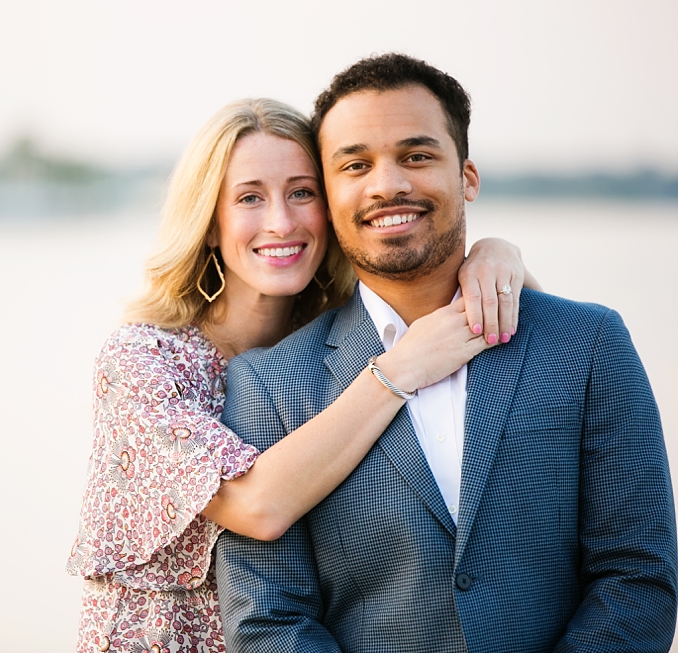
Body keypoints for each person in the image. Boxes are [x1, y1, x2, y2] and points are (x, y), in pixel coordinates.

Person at [215, 54, 678, 652]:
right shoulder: (266, 382)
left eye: (417, 156)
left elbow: (638, 577)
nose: (388, 185)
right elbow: (267, 621)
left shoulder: (588, 345)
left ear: (468, 177)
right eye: (356, 165)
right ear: (328, 199)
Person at [66, 97, 538, 653]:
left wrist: (497, 254)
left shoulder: (340, 342)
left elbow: (535, 349)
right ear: (210, 224)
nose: (281, 222)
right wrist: (403, 367)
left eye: (302, 192)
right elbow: (254, 507)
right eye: (249, 198)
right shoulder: (142, 361)